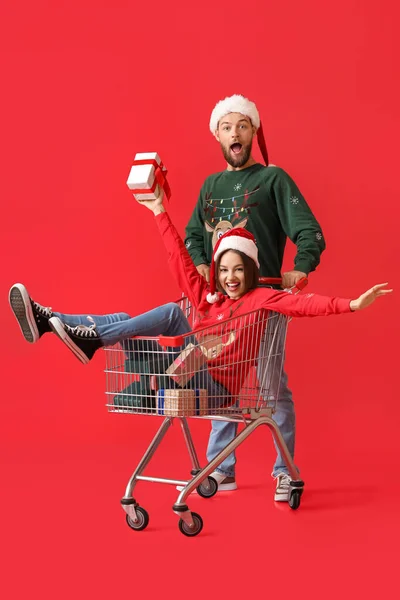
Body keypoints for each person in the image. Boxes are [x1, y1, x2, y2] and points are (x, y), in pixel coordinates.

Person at [10, 194, 391, 436]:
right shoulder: (207, 296)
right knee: (129, 317)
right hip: (183, 368)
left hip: (215, 387)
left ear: (250, 271)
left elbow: (303, 305)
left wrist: (352, 304)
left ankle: (86, 338)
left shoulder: (260, 299)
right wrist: (159, 210)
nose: (229, 278)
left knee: (171, 314)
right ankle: (51, 320)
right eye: (224, 270)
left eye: (238, 269)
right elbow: (179, 260)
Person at [184, 93, 326, 498]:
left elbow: (309, 230)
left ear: (253, 132)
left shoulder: (273, 179)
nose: (235, 133)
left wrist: (302, 266)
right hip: (220, 303)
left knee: (270, 387)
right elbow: (194, 234)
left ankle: (285, 470)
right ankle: (220, 468)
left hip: (263, 298)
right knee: (221, 383)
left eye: (242, 126)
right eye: (227, 127)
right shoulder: (210, 186)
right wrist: (198, 263)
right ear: (218, 135)